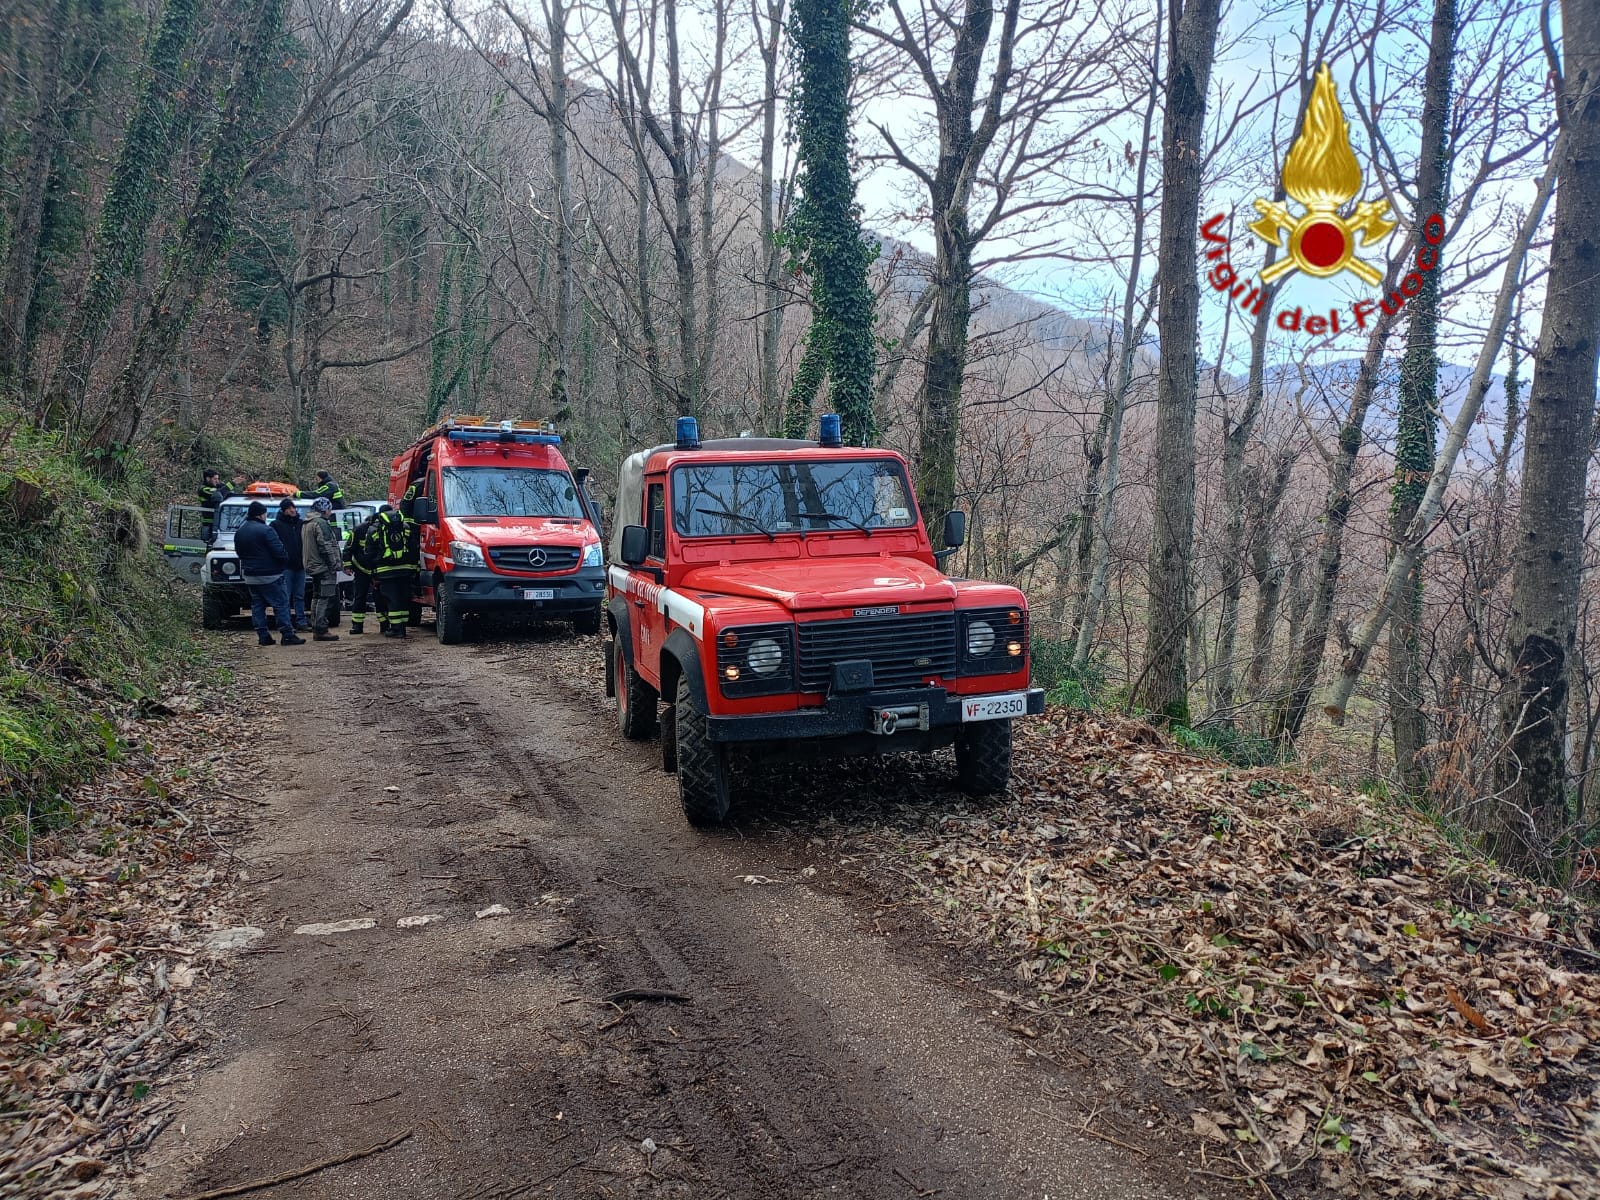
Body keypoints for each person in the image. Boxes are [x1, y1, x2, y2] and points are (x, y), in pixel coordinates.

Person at [234, 501, 304, 646]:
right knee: (281, 604)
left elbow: (239, 552)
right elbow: (280, 552)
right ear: (261, 514)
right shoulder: (266, 530)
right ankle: (287, 634)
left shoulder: (240, 531)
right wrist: (282, 563)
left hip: (250, 576)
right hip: (270, 574)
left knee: (258, 606)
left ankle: (263, 635)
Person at [370, 504, 419, 638]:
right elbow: (414, 548)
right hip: (405, 571)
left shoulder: (374, 530)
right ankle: (402, 628)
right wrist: (415, 568)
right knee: (403, 599)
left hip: (385, 572)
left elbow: (369, 553)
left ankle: (396, 629)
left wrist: (373, 573)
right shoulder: (406, 527)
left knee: (392, 600)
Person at [302, 498, 343, 641]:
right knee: (325, 598)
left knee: (317, 596)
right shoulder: (321, 524)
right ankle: (321, 629)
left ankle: (316, 626)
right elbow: (326, 546)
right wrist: (334, 564)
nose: (330, 512)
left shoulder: (307, 523)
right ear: (325, 510)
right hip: (323, 567)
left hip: (313, 565)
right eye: (329, 509)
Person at [346, 504, 388, 635]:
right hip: (361, 568)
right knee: (360, 597)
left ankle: (385, 625)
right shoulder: (359, 530)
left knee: (380, 598)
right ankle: (357, 625)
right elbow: (348, 548)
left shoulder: (386, 528)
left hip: (378, 569)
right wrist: (347, 565)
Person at [270, 498, 310, 633]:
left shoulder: (301, 524)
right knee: (285, 597)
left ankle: (301, 621)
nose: (292, 510)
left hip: (300, 566)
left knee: (300, 596)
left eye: (293, 507)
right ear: (283, 510)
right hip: (285, 567)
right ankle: (286, 623)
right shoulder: (276, 525)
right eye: (289, 508)